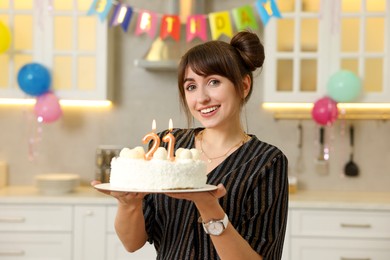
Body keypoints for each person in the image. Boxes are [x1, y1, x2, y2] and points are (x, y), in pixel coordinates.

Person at [92, 30, 289, 259]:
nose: (201, 98)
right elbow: (132, 243)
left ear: (244, 85)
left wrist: (209, 207)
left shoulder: (267, 162)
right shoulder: (167, 146)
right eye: (191, 86)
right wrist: (128, 205)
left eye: (214, 82)